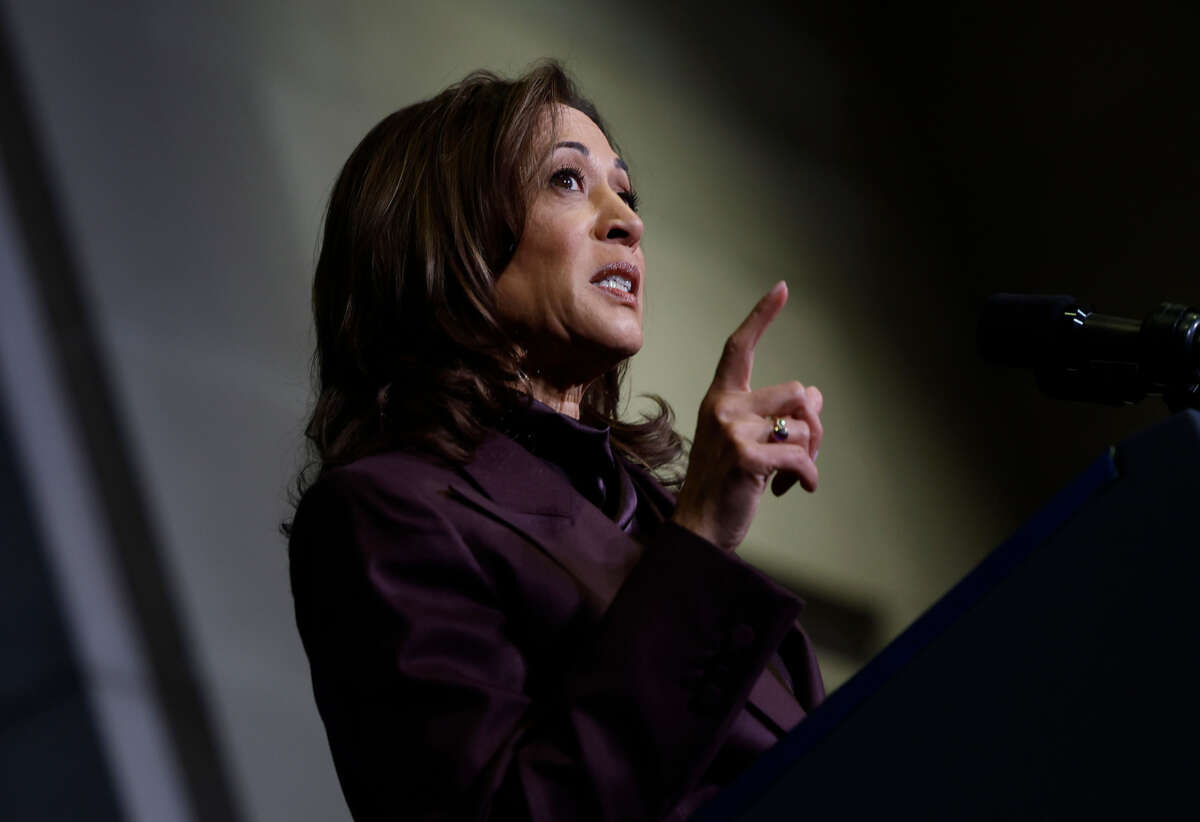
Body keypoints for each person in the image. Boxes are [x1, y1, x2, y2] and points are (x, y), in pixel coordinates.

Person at [287, 60, 826, 822]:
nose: (628, 221)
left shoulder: (648, 510)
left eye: (625, 191)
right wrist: (702, 537)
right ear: (449, 240)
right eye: (567, 181)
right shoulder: (383, 512)